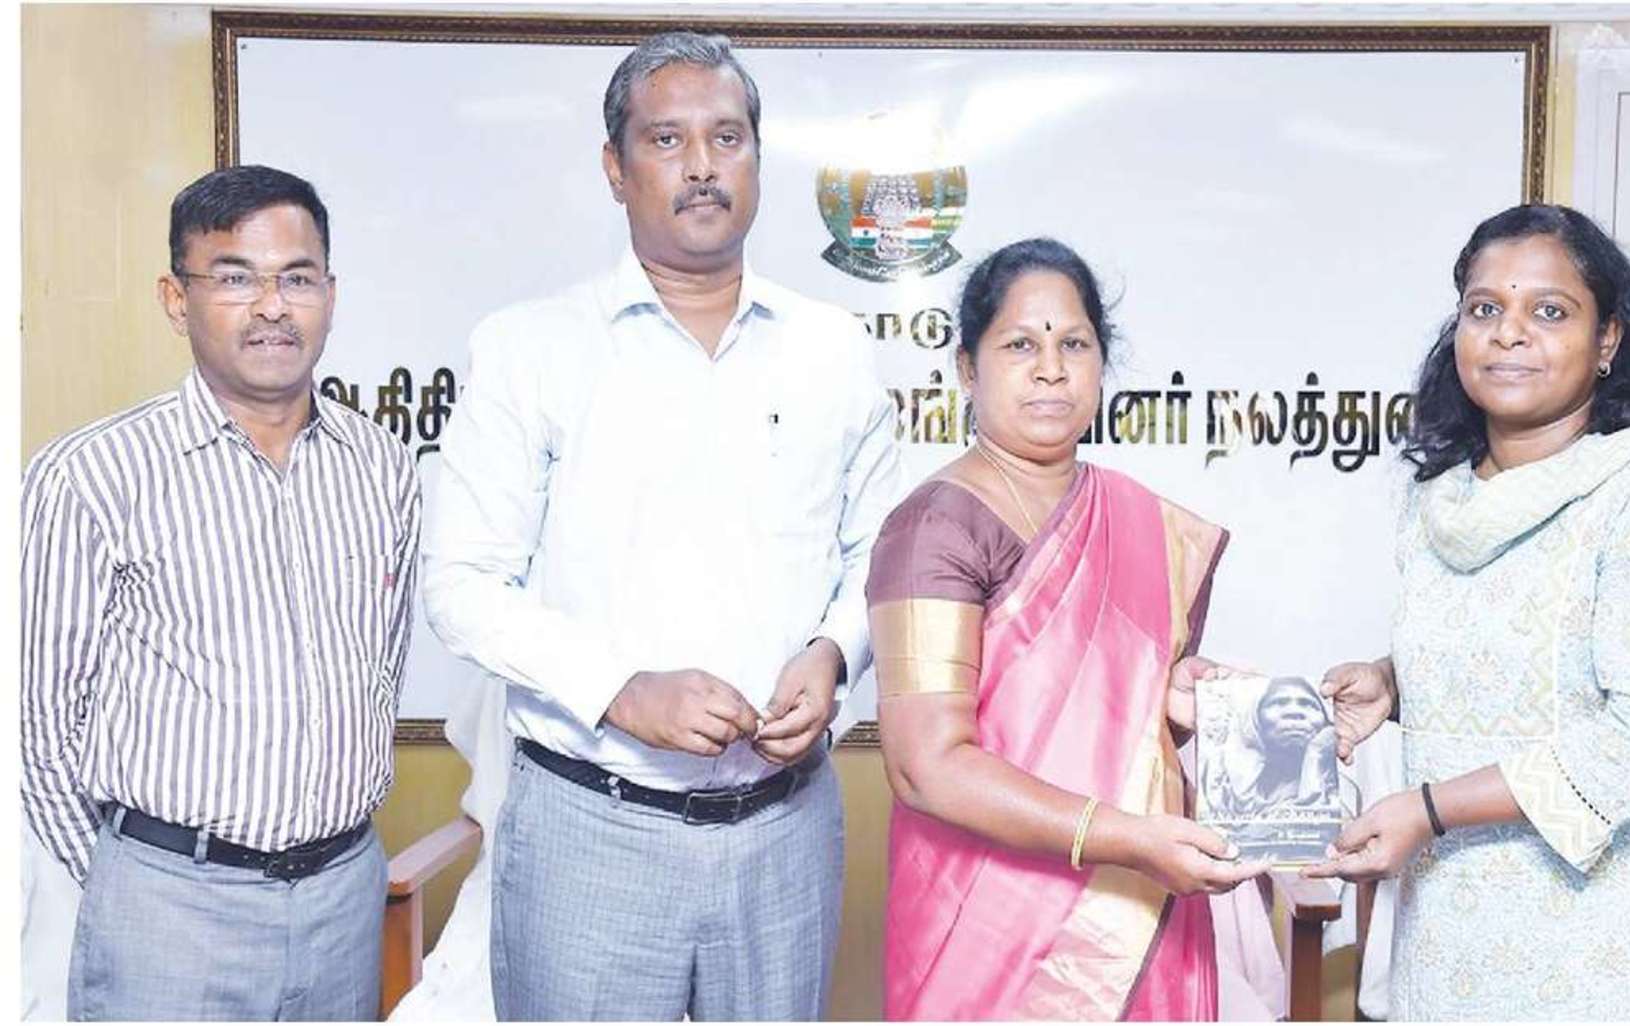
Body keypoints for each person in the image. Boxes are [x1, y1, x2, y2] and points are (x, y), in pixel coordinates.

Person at [421, 31, 900, 1021]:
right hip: (591, 829)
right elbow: (461, 584)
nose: (701, 166)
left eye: (726, 137)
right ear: (615, 167)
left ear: (757, 158)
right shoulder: (531, 349)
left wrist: (835, 652)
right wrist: (621, 691)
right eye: (667, 139)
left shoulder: (834, 350)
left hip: (783, 830)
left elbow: (883, 551)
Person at [1309, 204, 1630, 1019]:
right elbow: (1531, 666)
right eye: (1484, 308)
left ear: (1608, 340)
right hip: (1452, 939)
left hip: (1607, 953)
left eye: (1550, 311)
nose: (1509, 332)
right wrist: (1396, 683)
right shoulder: (1441, 503)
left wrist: (1431, 809)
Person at [21, 164, 421, 1020]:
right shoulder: (91, 476)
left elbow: (381, 669)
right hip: (169, 915)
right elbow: (38, 732)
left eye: (298, 279)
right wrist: (135, 886)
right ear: (177, 299)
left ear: (330, 295)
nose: (273, 307)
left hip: (343, 897)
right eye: (236, 278)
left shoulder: (383, 467)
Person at [869, 237, 1270, 1021]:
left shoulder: (1137, 519)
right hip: (988, 922)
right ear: (966, 368)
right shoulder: (935, 528)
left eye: (1074, 344)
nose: (1051, 368)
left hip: (1135, 903)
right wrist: (1128, 839)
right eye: (1020, 344)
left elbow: (1108, 717)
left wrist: (1173, 699)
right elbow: (926, 766)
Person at [1203, 677, 1337, 818]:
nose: (1294, 712)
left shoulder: (1340, 782)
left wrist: (1315, 756)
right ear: (1255, 717)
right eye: (1279, 703)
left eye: (1308, 704)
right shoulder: (1220, 782)